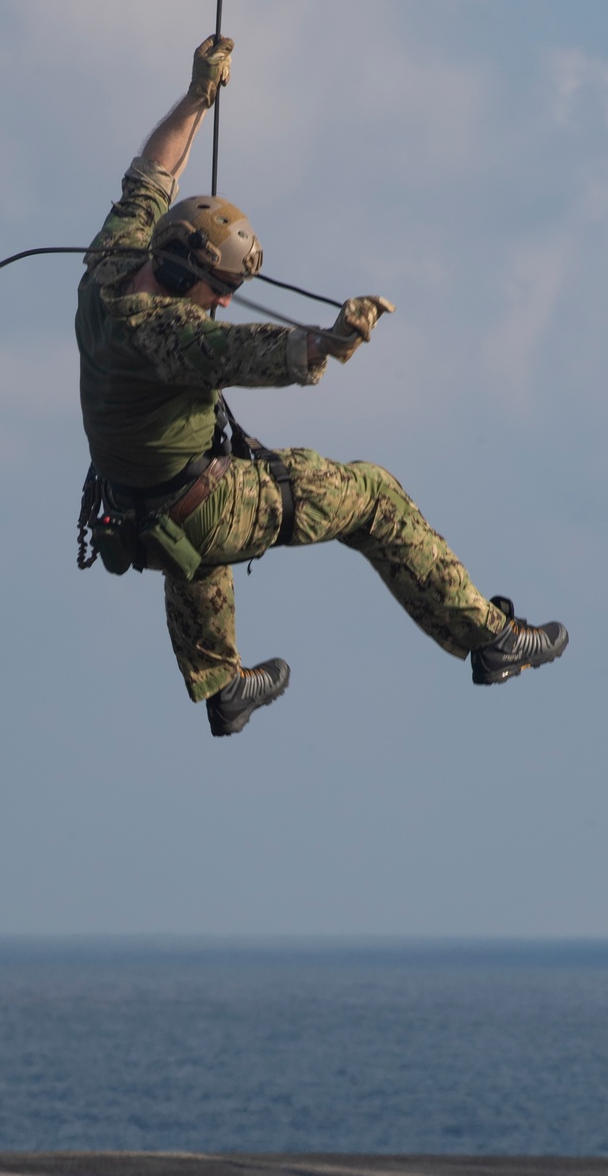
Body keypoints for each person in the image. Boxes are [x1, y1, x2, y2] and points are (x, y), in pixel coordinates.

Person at [76, 37, 569, 736]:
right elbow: (242, 351)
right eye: (219, 290)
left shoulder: (111, 261)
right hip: (190, 510)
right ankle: (490, 639)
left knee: (195, 516)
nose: (221, 303)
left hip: (139, 511)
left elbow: (152, 173)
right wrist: (329, 343)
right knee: (370, 496)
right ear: (186, 272)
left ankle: (222, 685)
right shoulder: (165, 334)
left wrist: (196, 97)